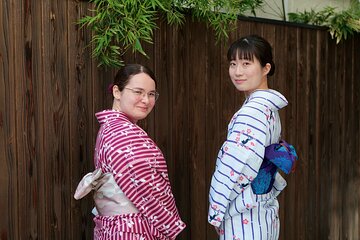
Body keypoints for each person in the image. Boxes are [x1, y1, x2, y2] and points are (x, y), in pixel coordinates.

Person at [74, 64, 186, 239]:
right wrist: (170, 227)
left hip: (115, 228)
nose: (146, 100)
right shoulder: (123, 134)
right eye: (138, 92)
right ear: (117, 92)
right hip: (132, 229)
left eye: (151, 94)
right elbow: (150, 192)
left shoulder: (111, 128)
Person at [208, 35, 297, 240]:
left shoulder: (253, 111)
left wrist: (217, 210)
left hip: (244, 211)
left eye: (246, 63)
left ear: (266, 68)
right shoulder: (267, 108)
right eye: (233, 63)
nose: (237, 71)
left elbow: (237, 165)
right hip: (262, 208)